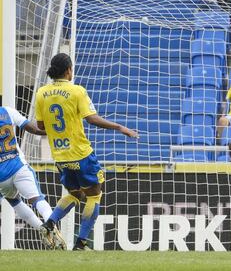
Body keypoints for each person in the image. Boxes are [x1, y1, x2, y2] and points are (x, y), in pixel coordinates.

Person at [35, 53, 138, 250]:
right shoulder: (77, 91)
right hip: (81, 153)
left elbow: (41, 126)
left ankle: (49, 224)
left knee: (75, 195)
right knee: (94, 195)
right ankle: (81, 244)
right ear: (68, 70)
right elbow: (92, 119)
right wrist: (120, 127)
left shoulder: (41, 93)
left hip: (60, 155)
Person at [0, 106, 65, 249]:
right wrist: (56, 132)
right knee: (37, 199)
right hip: (18, 167)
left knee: (14, 201)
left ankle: (40, 228)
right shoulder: (7, 112)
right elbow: (34, 129)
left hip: (1, 178)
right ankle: (52, 227)